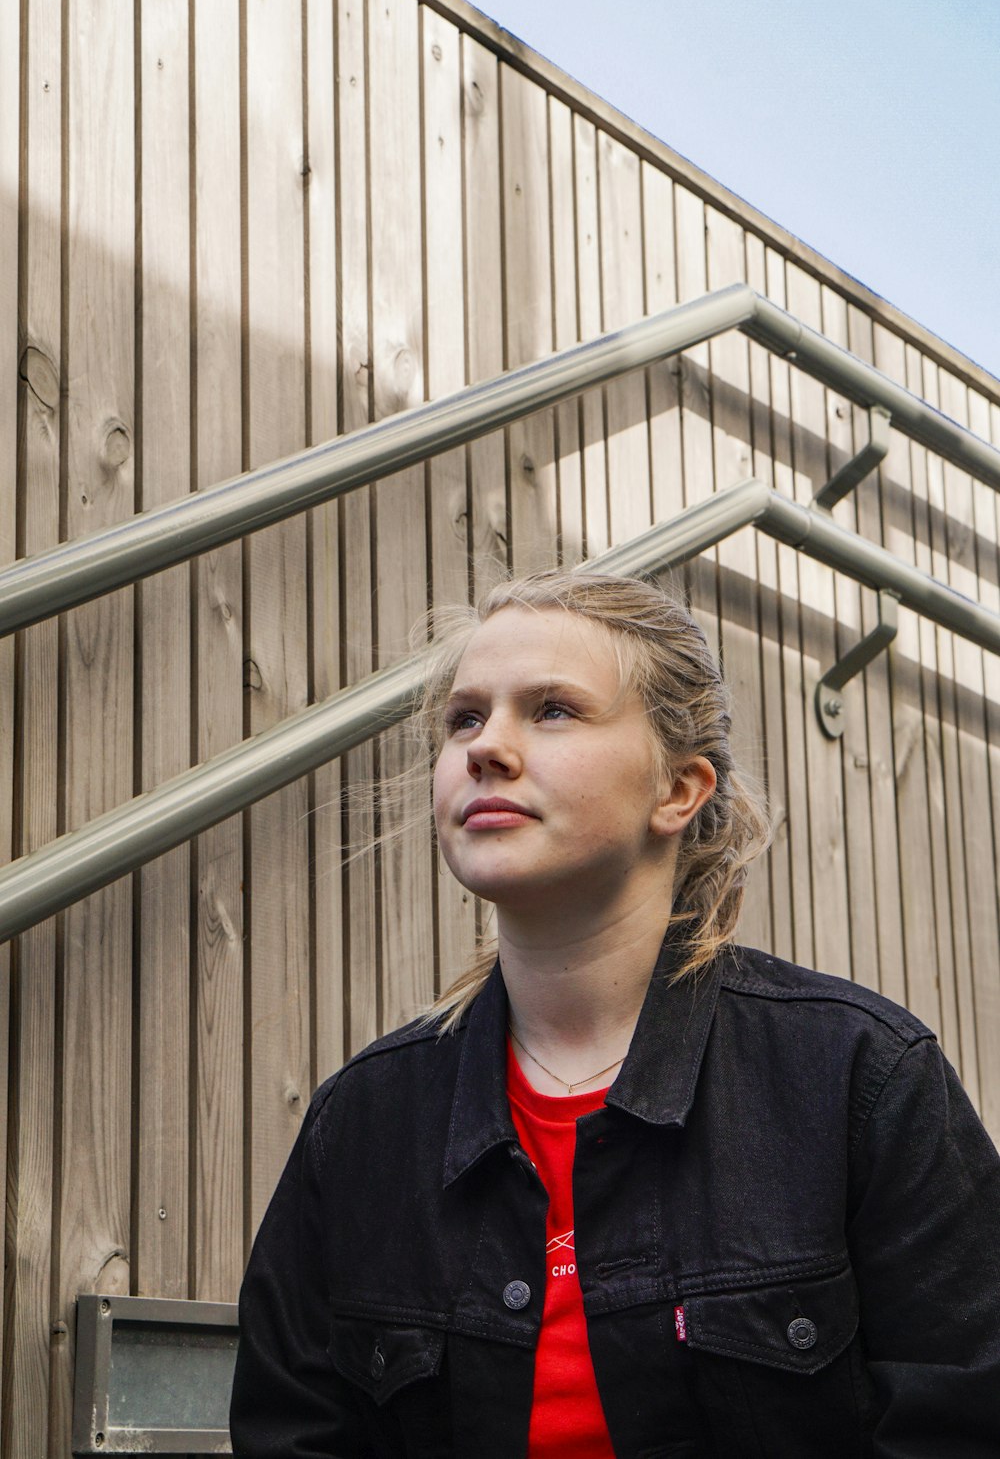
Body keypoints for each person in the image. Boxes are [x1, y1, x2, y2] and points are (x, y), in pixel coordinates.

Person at [230, 569, 1000, 1458]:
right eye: (465, 718)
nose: (487, 747)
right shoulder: (359, 1126)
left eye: (552, 710)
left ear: (678, 790)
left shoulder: (862, 1081)